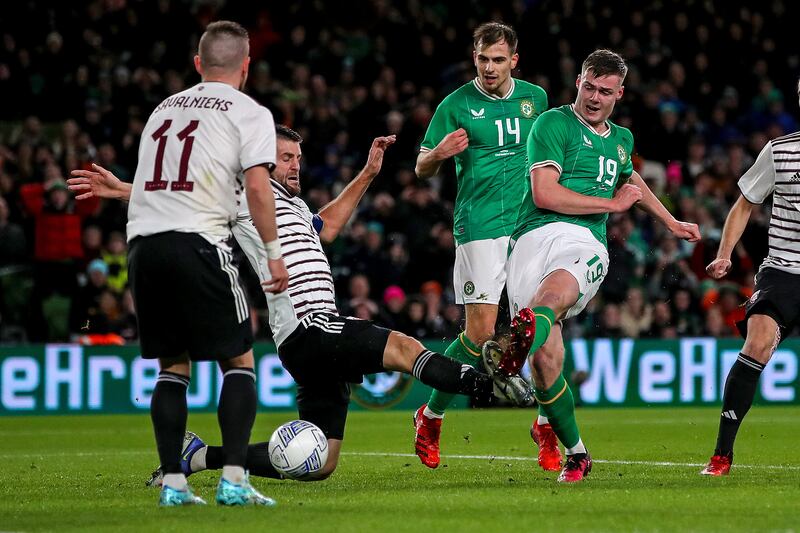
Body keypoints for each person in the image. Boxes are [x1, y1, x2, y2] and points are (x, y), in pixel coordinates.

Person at [68, 125, 530, 487]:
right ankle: (487, 388)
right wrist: (125, 189)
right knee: (405, 349)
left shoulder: (288, 203)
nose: (296, 165)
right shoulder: (248, 194)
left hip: (305, 343)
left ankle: (200, 457)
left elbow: (325, 227)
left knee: (322, 462)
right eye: (286, 158)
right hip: (312, 326)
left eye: (298, 158)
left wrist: (368, 174)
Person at [73, 21, 290, 507]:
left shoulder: (162, 109)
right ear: (246, 66)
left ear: (198, 64)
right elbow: (257, 188)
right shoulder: (250, 112)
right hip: (199, 243)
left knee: (174, 366)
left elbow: (169, 185)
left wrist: (122, 190)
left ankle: (174, 483)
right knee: (238, 359)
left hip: (144, 248)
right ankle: (233, 480)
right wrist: (275, 254)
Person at [486, 49, 700, 482]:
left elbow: (629, 178)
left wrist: (671, 221)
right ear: (578, 82)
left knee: (550, 300)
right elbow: (545, 194)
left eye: (605, 91)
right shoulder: (552, 123)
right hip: (530, 239)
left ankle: (513, 352)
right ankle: (576, 449)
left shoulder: (622, 139)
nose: (595, 97)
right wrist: (614, 204)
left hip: (583, 241)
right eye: (589, 86)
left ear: (619, 93)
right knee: (547, 365)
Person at [412, 22, 548, 469]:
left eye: (498, 60)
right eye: (483, 59)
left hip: (528, 226)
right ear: (474, 58)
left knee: (544, 326)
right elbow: (420, 168)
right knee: (479, 334)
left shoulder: (536, 100)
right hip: (480, 226)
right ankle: (430, 416)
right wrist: (438, 154)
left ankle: (547, 427)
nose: (489, 68)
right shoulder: (455, 105)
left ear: (514, 60)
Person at [700, 80, 800, 477]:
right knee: (757, 344)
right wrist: (724, 254)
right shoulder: (780, 151)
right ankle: (722, 454)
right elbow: (744, 204)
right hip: (782, 272)